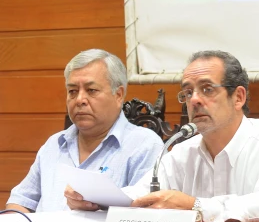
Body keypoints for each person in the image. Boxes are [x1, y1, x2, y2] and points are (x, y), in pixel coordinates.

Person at [67, 50, 259, 222]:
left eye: (207, 89)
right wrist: (95, 199)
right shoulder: (182, 151)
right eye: (187, 92)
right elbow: (142, 193)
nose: (194, 99)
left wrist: (195, 206)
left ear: (238, 97)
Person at [6, 49, 163, 213]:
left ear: (118, 95)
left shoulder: (144, 145)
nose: (80, 99)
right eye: (72, 91)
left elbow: (144, 215)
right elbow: (19, 202)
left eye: (91, 90)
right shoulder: (54, 144)